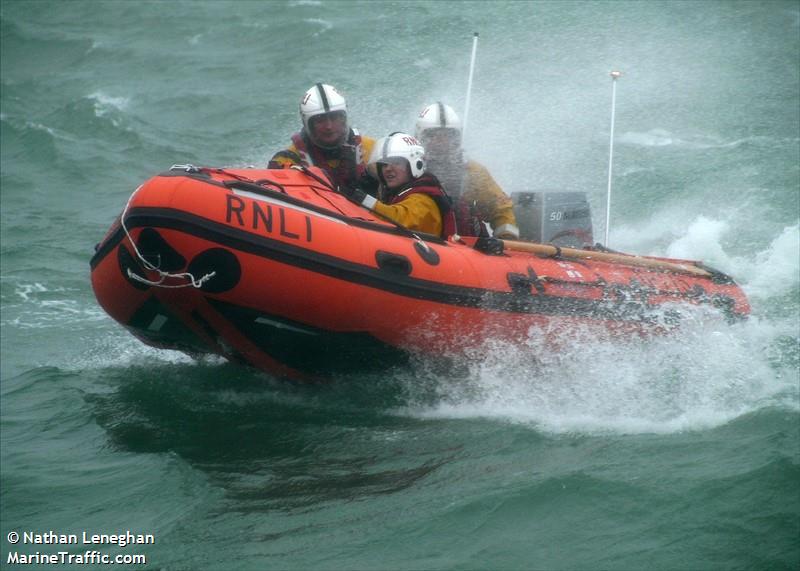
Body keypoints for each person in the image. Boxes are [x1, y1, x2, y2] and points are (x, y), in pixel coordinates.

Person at [415, 102, 519, 240]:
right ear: (419, 137)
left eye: (448, 135)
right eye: (433, 135)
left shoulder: (472, 172)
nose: (441, 141)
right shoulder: (408, 168)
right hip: (420, 242)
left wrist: (506, 238)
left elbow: (500, 208)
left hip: (465, 248)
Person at [340, 132, 456, 238]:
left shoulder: (423, 200)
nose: (388, 169)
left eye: (396, 163)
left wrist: (362, 199)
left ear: (415, 164)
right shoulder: (400, 193)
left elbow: (399, 219)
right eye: (384, 165)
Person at [269, 83, 376, 192]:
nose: (328, 126)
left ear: (344, 118)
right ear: (307, 124)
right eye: (320, 120)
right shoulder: (289, 159)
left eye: (334, 118)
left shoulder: (371, 150)